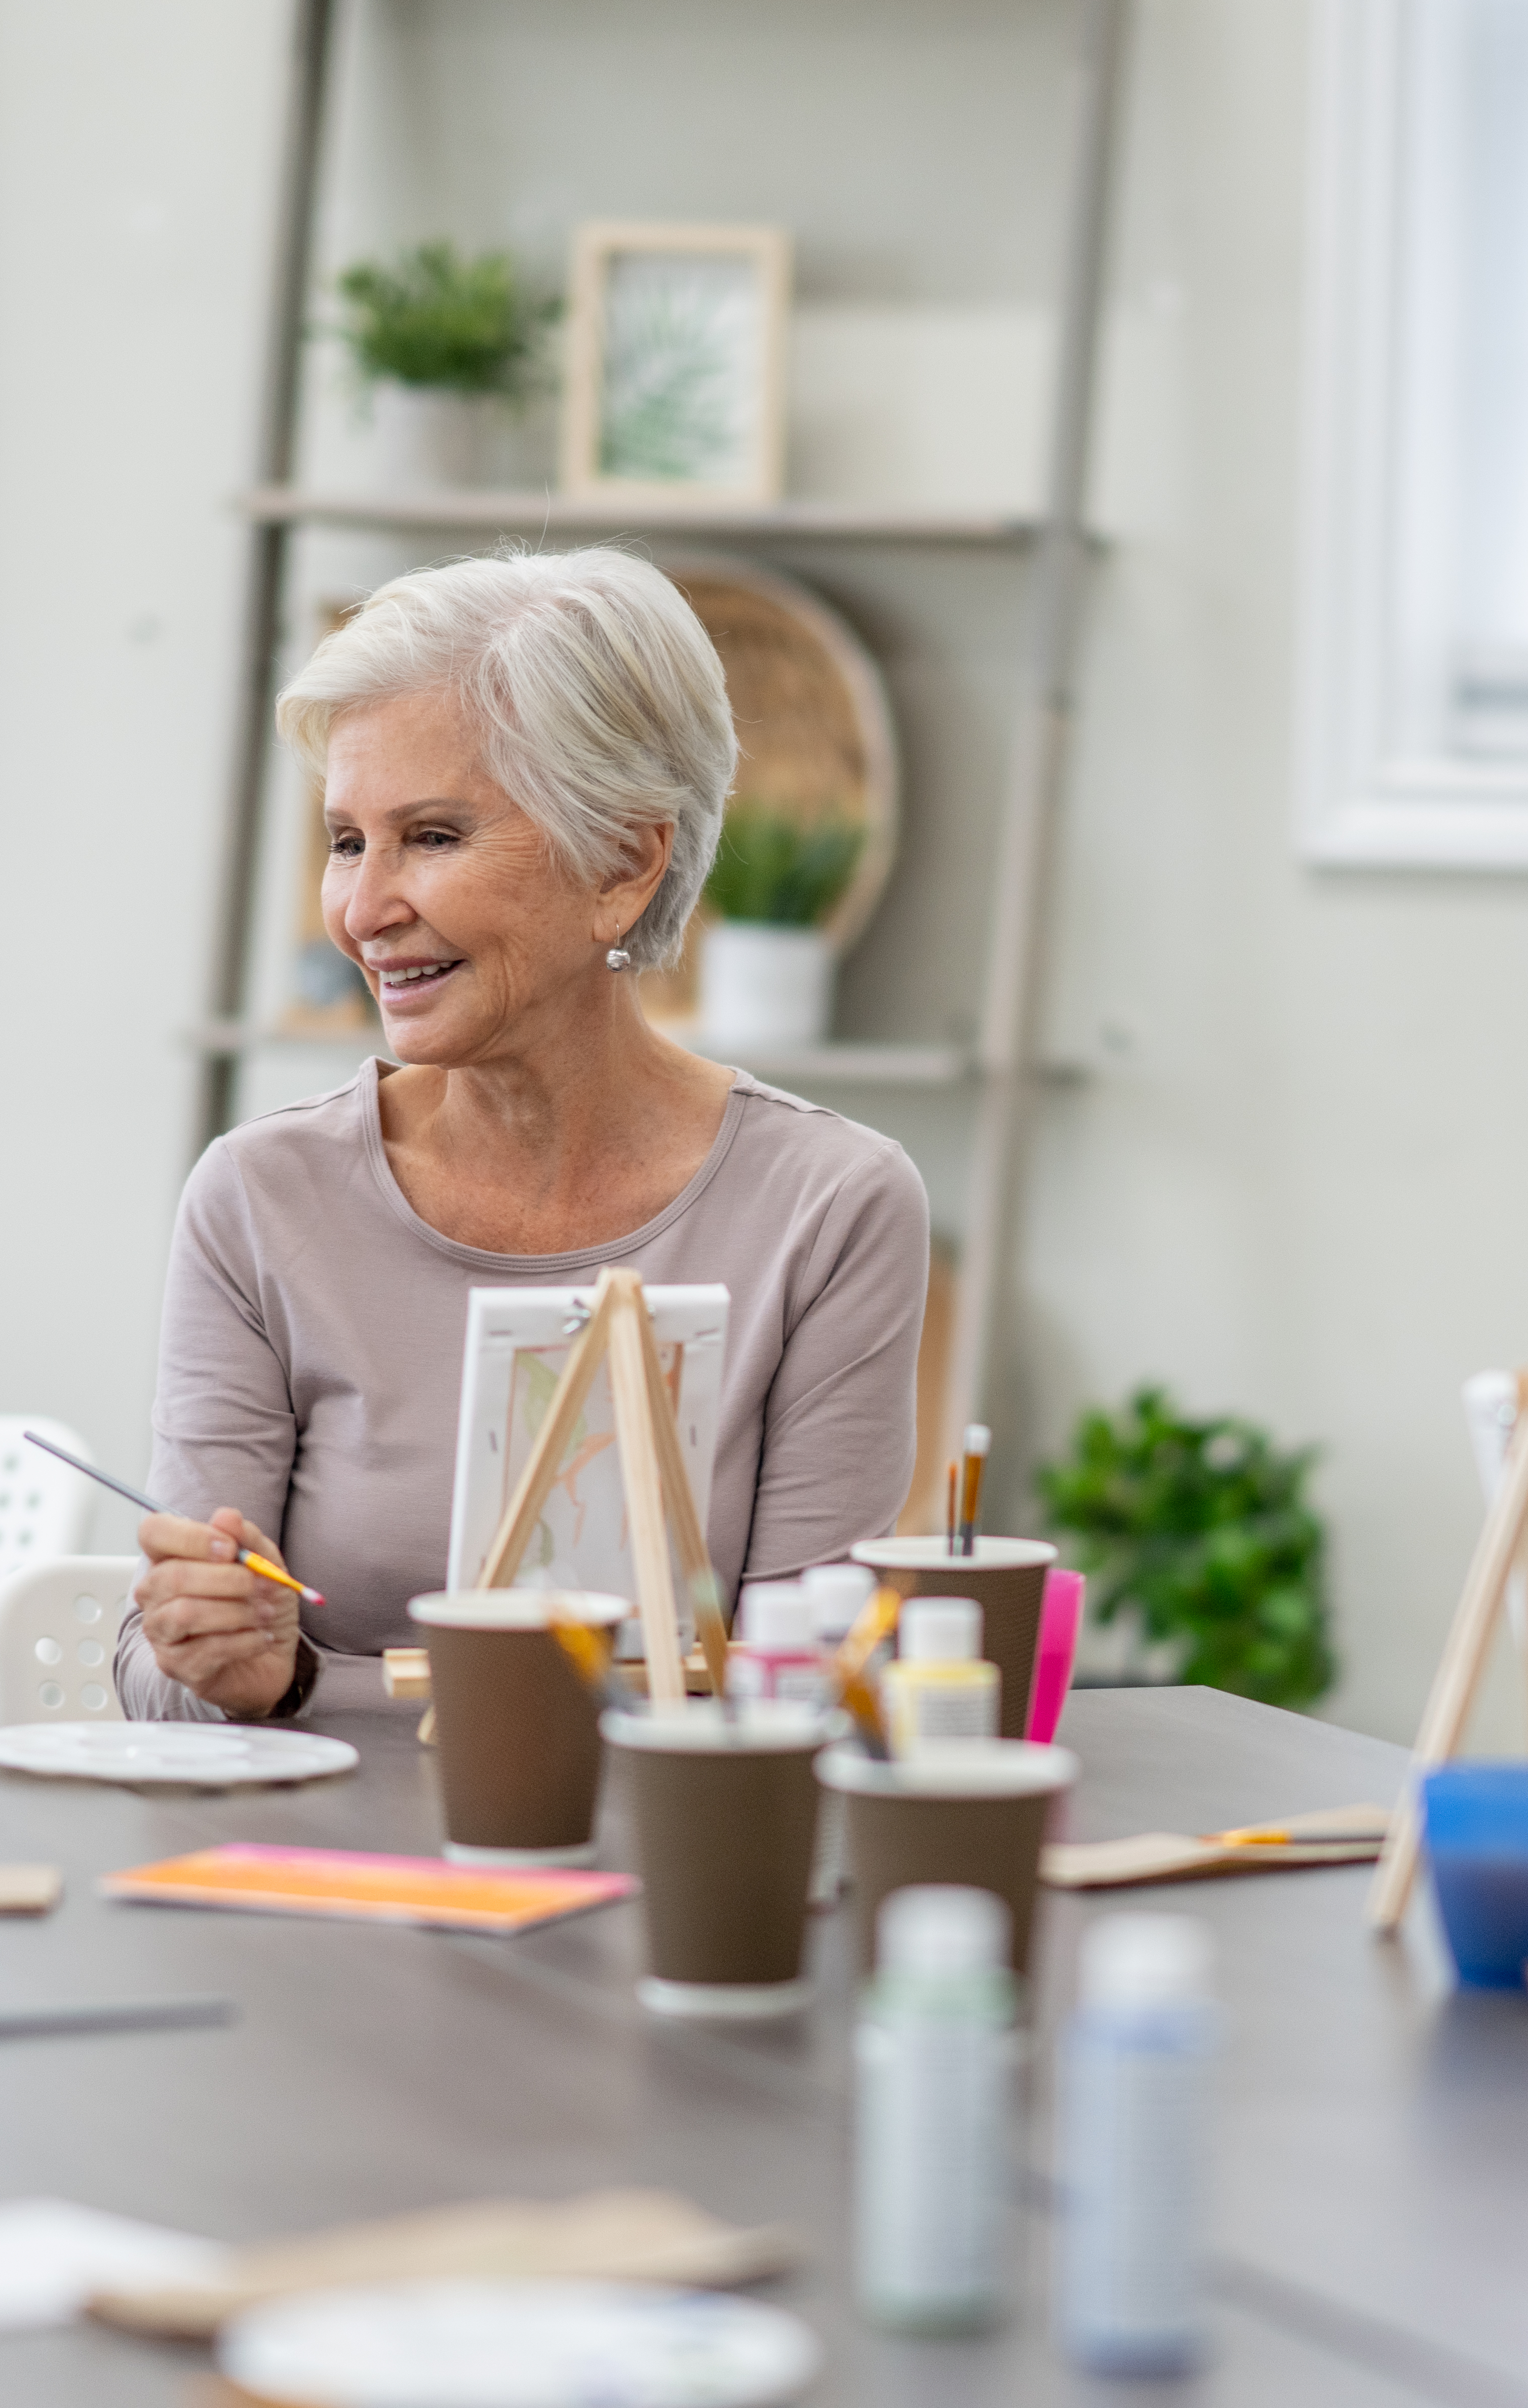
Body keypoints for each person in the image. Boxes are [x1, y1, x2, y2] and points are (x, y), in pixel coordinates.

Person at [128, 549, 929, 1715]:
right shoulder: (261, 1196)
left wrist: (332, 1684)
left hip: (666, 1866)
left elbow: (807, 1695)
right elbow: (159, 1678)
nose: (361, 910)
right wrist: (233, 1667)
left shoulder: (831, 1208)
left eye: (435, 836)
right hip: (320, 1877)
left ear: (621, 864)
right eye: (348, 841)